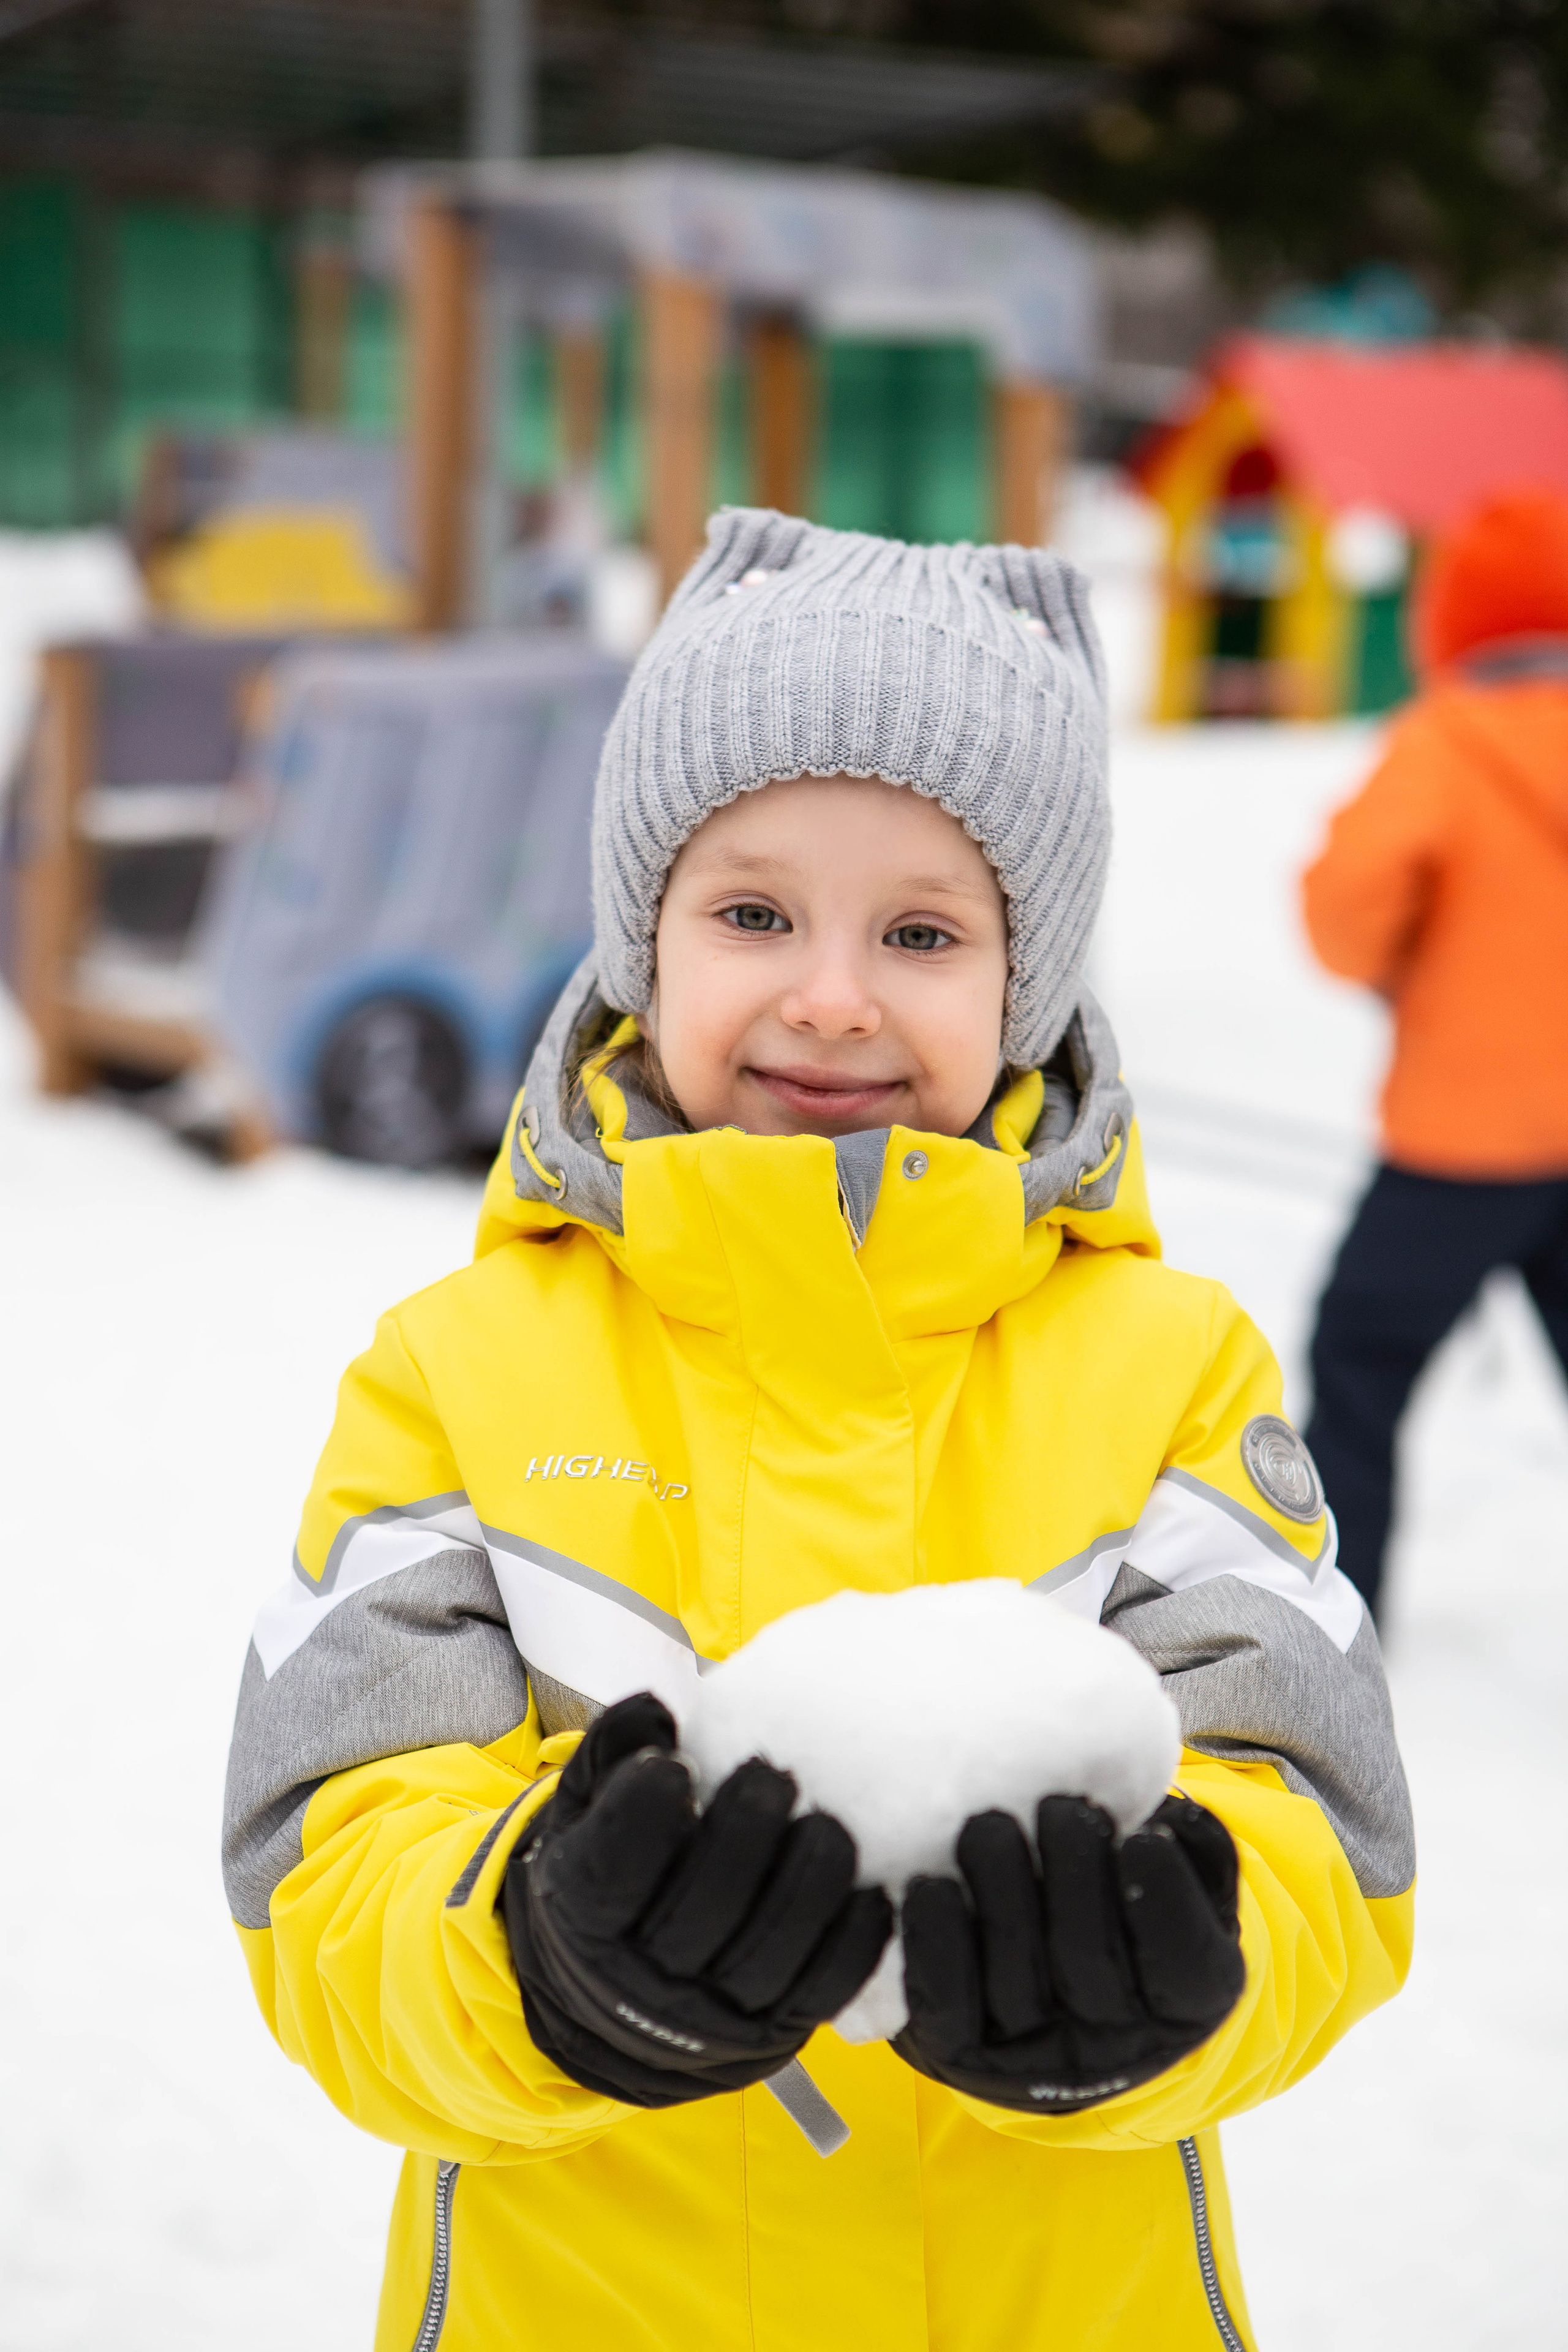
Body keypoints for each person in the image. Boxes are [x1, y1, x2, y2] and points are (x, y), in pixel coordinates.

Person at [224, 511, 1412, 2352]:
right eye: (755, 912)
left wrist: (1191, 1962)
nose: (834, 993)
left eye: (923, 930)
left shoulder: (1173, 1369)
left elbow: (1324, 1818)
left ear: (1025, 982)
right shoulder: (459, 1373)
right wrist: (537, 1959)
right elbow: (323, 1856)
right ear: (644, 942)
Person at [1303, 489, 1568, 1625]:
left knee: (1360, 1356)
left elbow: (1345, 908)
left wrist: (1401, 963)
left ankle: (1340, 1611)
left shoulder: (1443, 745)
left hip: (1461, 1141)